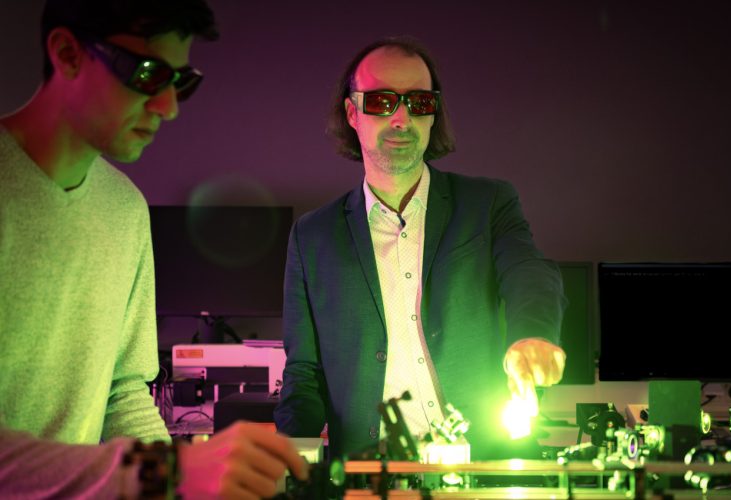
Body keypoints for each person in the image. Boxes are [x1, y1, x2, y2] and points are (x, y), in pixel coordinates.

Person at [0, 0, 306, 497]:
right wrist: (168, 472)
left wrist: (180, 485)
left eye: (180, 82)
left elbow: (124, 394)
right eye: (147, 73)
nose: (168, 106)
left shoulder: (124, 209)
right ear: (67, 53)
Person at [275, 36, 568, 461]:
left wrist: (533, 334)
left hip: (485, 464)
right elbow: (303, 371)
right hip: (369, 474)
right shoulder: (312, 236)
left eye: (418, 102)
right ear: (352, 113)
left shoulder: (487, 204)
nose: (401, 118)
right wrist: (289, 456)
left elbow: (529, 270)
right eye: (381, 101)